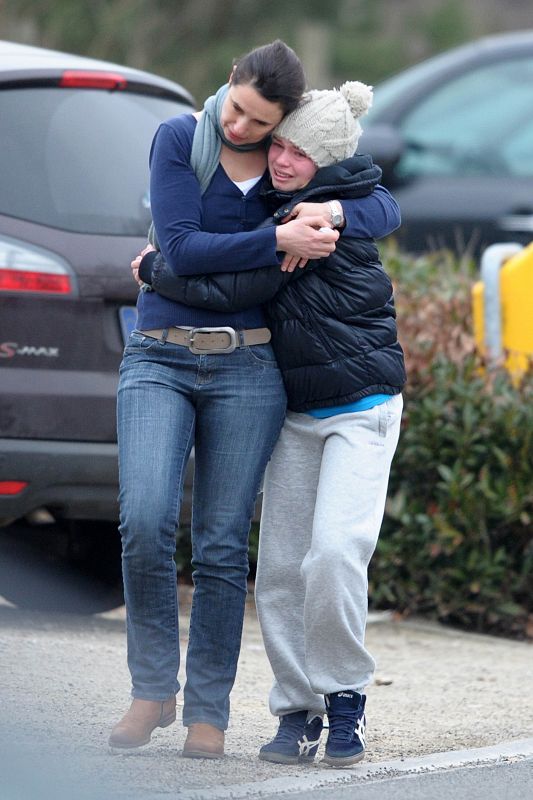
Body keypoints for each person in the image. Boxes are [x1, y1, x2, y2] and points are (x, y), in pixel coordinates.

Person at [111, 39, 401, 761]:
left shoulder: (294, 189)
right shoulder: (191, 143)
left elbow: (381, 204)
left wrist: (327, 217)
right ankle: (160, 690)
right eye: (236, 111)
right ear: (228, 82)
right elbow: (180, 245)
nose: (243, 131)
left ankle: (246, 707)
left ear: (286, 128)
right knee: (149, 523)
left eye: (260, 124)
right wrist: (266, 241)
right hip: (182, 361)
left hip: (268, 375)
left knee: (241, 548)